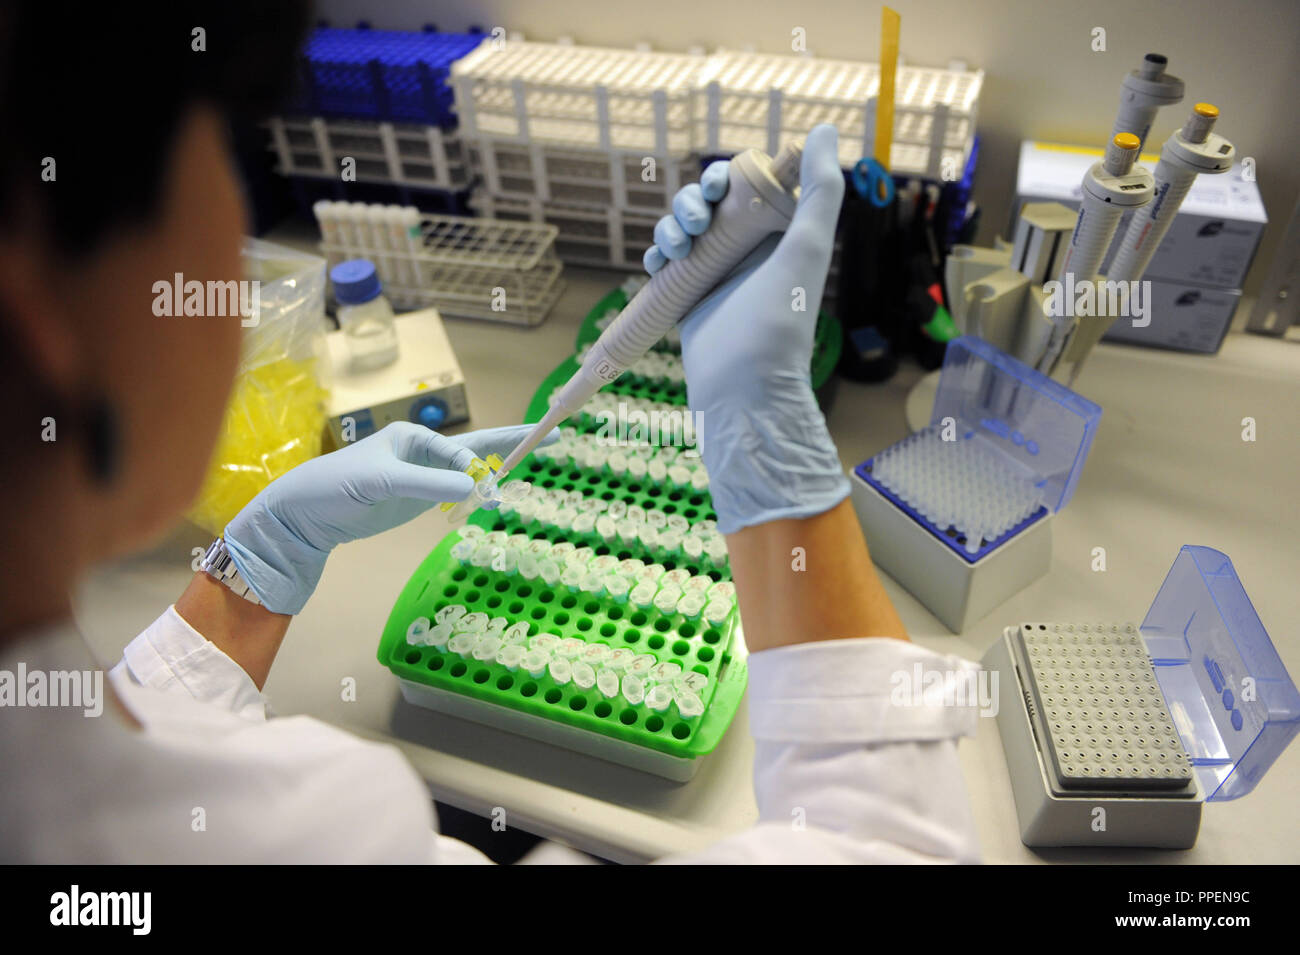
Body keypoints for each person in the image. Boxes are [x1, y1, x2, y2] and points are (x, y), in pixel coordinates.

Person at [0, 3, 980, 863]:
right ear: (37, 307)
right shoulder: (324, 834)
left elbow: (133, 746)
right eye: (216, 152)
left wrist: (251, 563)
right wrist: (766, 443)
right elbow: (895, 850)